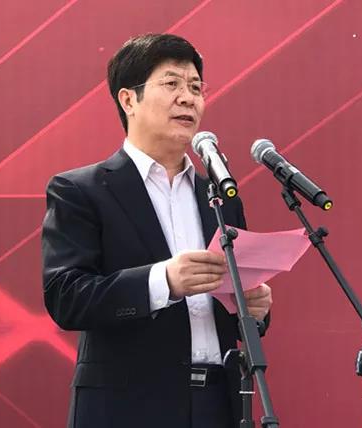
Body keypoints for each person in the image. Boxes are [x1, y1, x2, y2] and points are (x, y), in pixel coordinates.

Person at [42, 33, 272, 428]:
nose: (188, 98)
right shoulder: (81, 190)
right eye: (172, 84)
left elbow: (234, 312)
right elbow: (66, 297)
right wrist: (164, 280)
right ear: (128, 100)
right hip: (128, 407)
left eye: (196, 87)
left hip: (220, 404)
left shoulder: (220, 195)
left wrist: (253, 308)